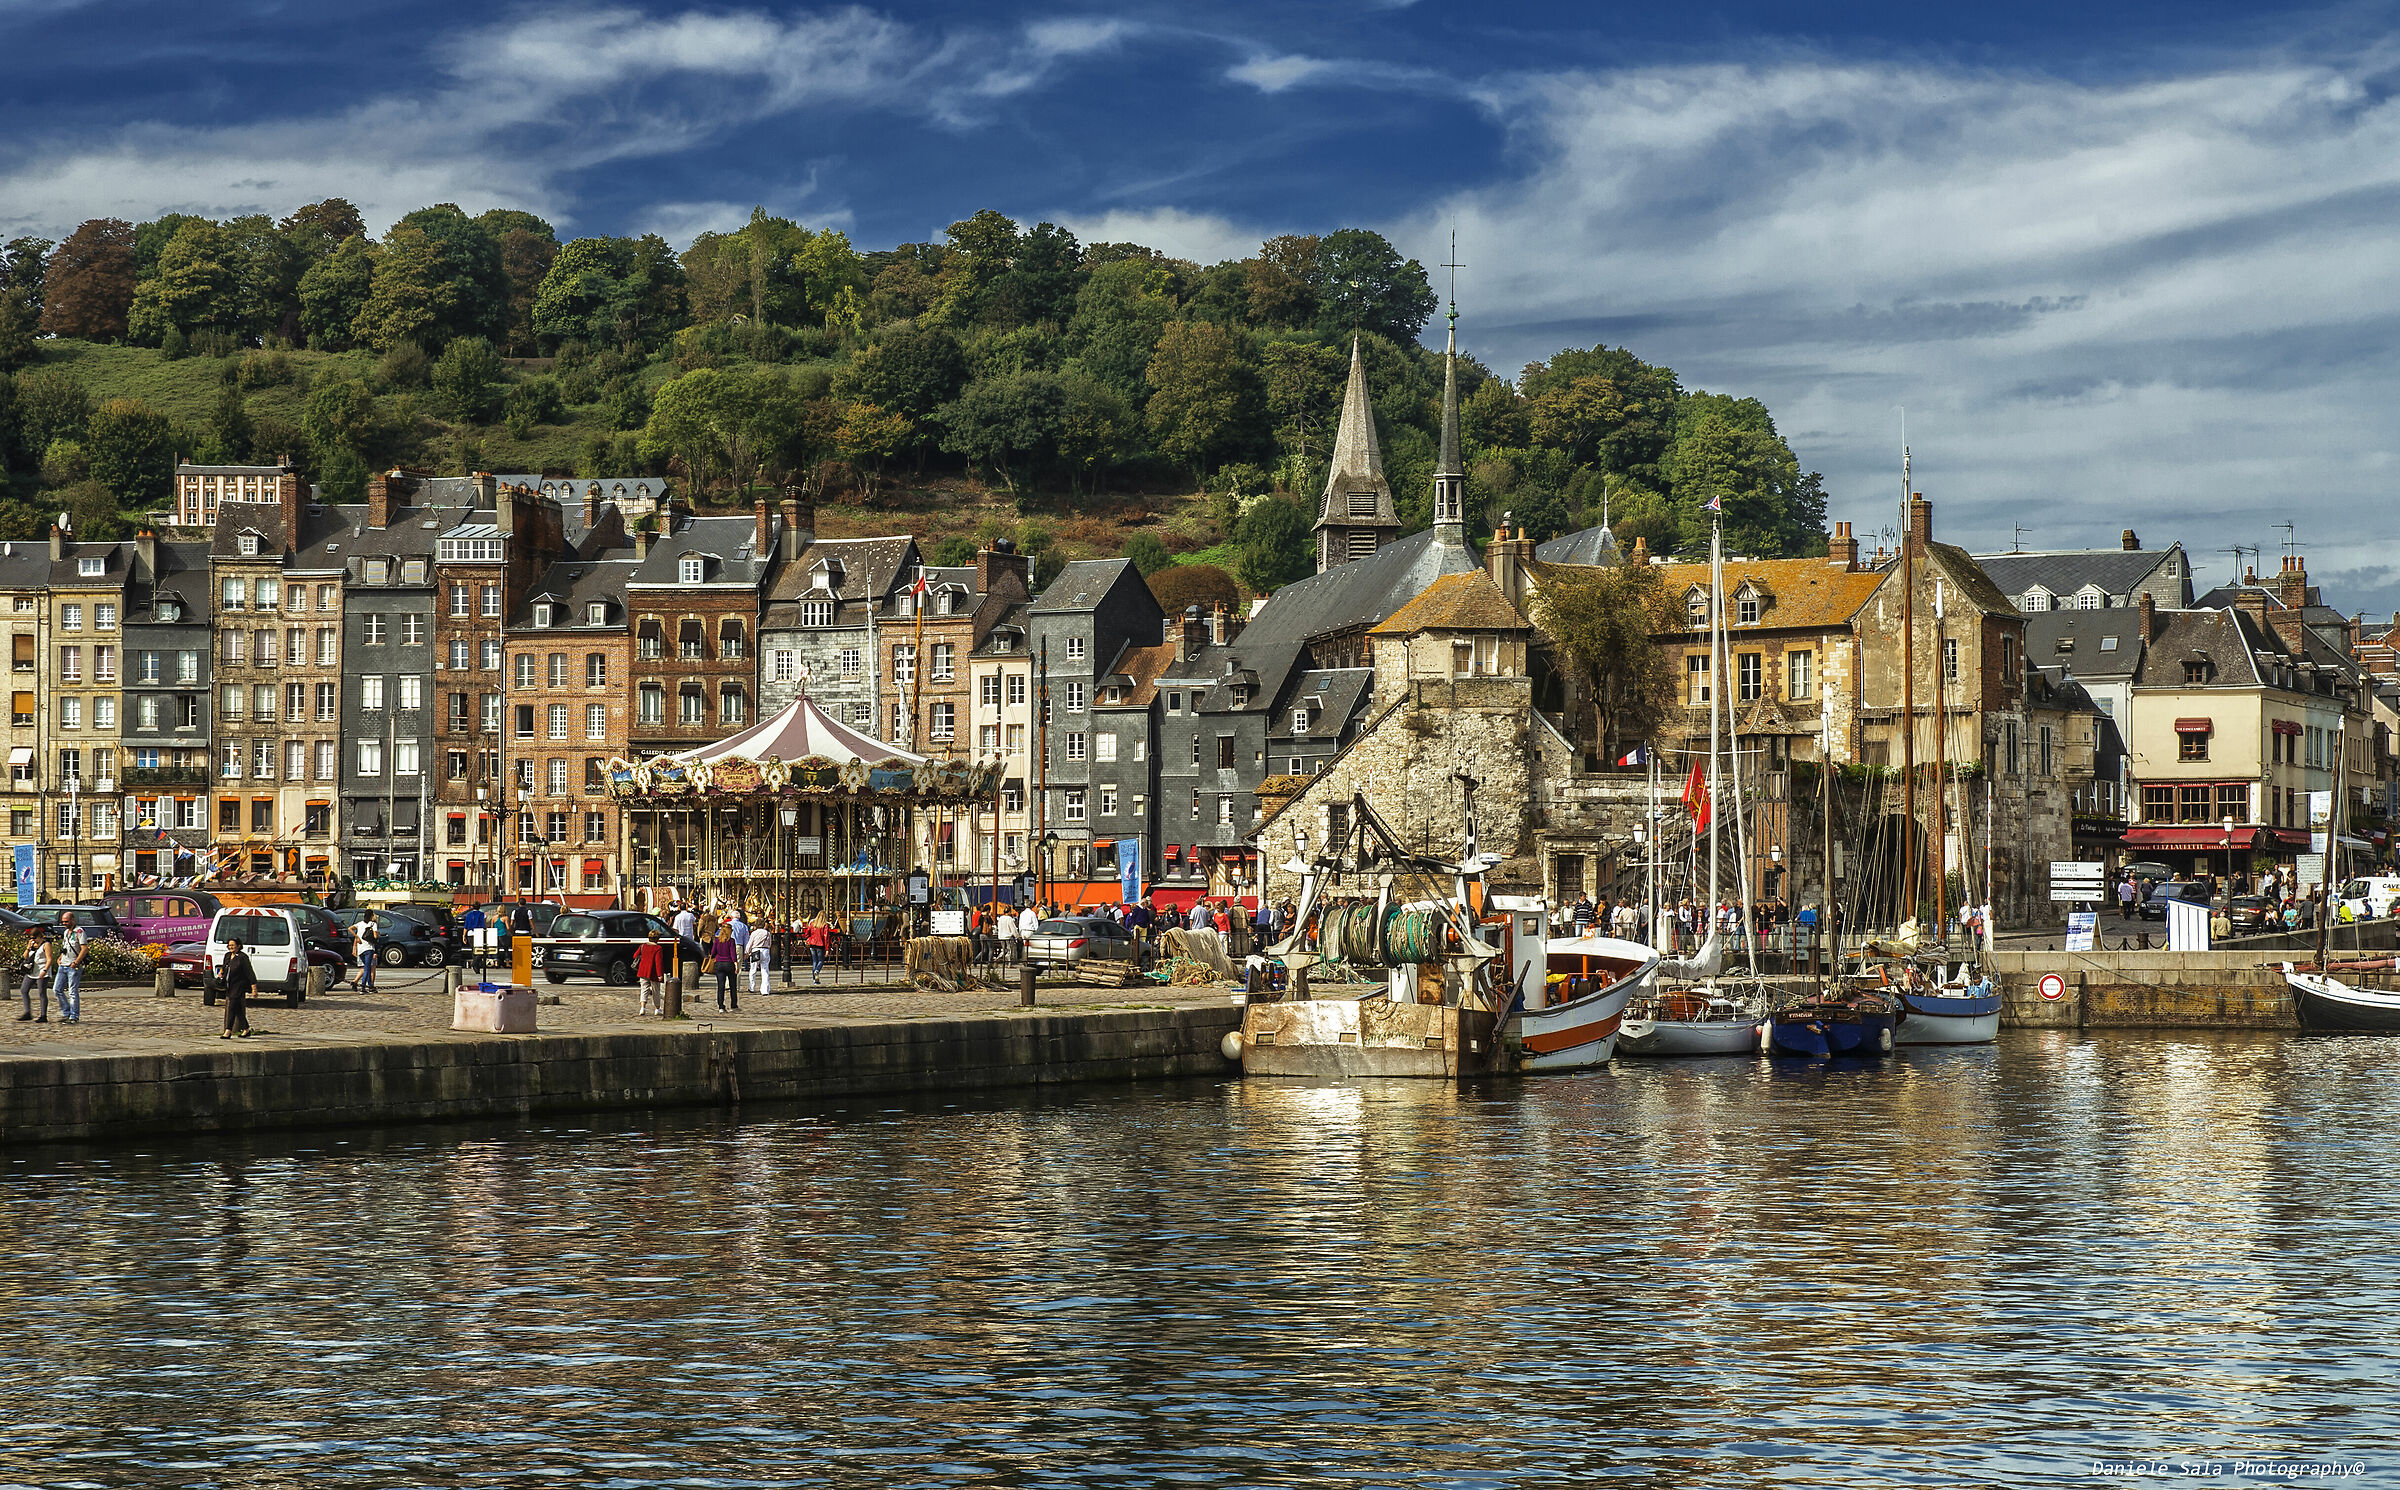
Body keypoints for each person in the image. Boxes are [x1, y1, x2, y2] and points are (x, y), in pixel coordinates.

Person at [221, 936, 254, 1039]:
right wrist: (221, 974)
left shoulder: (243, 957)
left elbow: (249, 972)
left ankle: (228, 1031)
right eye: (229, 945)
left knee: (232, 1007)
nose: (231, 947)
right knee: (238, 1009)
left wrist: (254, 987)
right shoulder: (227, 955)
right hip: (229, 984)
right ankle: (246, 1029)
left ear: (238, 946)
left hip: (239, 985)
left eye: (233, 945)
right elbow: (224, 967)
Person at [15, 928, 51, 1023]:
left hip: (42, 970)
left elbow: (49, 959)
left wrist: (45, 970)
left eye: (35, 937)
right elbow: (25, 957)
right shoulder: (32, 945)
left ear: (40, 936)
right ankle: (27, 1012)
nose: (33, 939)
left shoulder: (46, 945)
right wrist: (28, 947)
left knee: (41, 992)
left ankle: (43, 1015)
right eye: (31, 938)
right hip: (31, 971)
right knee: (24, 990)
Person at [53, 920, 85, 1024]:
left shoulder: (79, 932)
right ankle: (66, 1012)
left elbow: (84, 949)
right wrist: (60, 957)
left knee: (72, 991)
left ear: (72, 920)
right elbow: (65, 947)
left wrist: (76, 962)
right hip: (63, 965)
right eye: (63, 921)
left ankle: (74, 1015)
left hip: (73, 966)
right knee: (57, 989)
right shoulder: (66, 932)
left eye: (66, 921)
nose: (64, 923)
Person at [634, 930, 669, 1017]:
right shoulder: (658, 948)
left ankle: (643, 1008)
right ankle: (657, 1009)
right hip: (653, 972)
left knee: (644, 989)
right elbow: (658, 962)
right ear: (657, 939)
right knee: (655, 990)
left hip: (643, 970)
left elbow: (635, 955)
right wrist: (660, 974)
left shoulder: (643, 946)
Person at [709, 926, 739, 1010]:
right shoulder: (731, 941)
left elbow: (713, 952)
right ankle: (733, 1004)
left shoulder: (717, 940)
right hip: (729, 963)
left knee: (721, 986)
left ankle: (721, 1006)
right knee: (733, 985)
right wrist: (736, 964)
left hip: (719, 964)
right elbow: (733, 953)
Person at [746, 916, 774, 1000]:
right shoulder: (767, 933)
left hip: (756, 950)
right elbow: (769, 943)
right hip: (765, 950)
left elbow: (750, 943)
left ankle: (752, 987)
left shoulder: (754, 933)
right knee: (765, 970)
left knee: (753, 969)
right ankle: (765, 989)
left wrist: (747, 952)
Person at [805, 911, 832, 983]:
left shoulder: (812, 923)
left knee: (814, 961)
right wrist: (827, 949)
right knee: (820, 961)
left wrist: (809, 938)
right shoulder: (824, 925)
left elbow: (807, 933)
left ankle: (814, 980)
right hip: (820, 944)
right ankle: (817, 971)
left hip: (812, 944)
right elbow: (826, 937)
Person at [353, 916, 378, 994]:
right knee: (369, 968)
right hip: (369, 948)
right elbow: (375, 937)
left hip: (360, 949)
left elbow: (351, 929)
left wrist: (354, 946)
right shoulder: (373, 924)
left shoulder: (359, 924)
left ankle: (369, 985)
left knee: (366, 968)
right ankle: (363, 987)